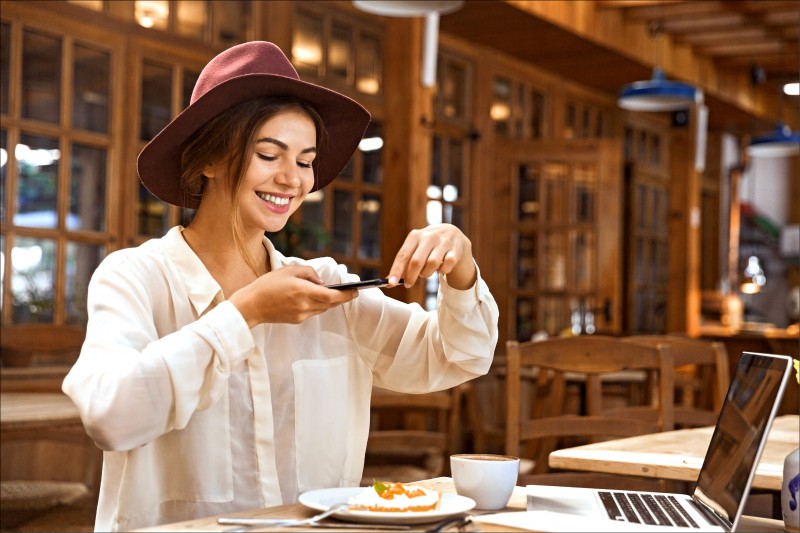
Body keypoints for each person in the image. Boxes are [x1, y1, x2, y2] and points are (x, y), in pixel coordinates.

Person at [62, 41, 498, 532]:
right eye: (269, 154)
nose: (292, 179)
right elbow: (110, 416)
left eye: (307, 161)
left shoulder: (328, 287)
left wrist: (461, 267)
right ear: (209, 158)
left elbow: (460, 356)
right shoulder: (135, 278)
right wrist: (244, 313)